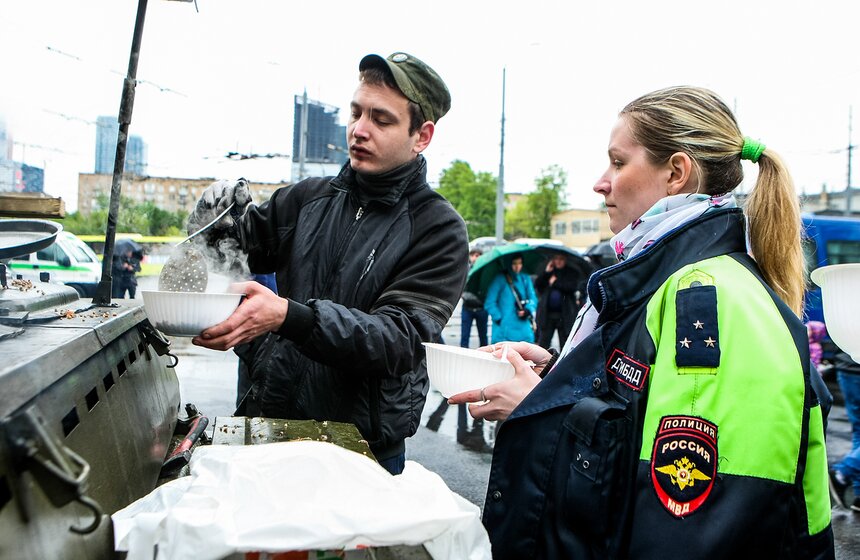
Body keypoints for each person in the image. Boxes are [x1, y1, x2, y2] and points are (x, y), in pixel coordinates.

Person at [449, 86, 834, 558]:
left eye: (617, 162)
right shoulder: (671, 276)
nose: (600, 183)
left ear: (675, 173)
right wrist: (556, 379)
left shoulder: (707, 297)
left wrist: (537, 407)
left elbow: (686, 524)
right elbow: (636, 416)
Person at [187, 52, 469, 475]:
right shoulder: (308, 198)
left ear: (421, 136)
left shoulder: (437, 228)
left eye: (381, 119)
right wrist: (211, 218)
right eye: (356, 113)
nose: (359, 130)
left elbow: (399, 340)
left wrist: (289, 317)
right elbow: (230, 252)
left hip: (361, 453)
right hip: (268, 427)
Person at [426, 246, 491, 452]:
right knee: (463, 338)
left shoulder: (485, 271)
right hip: (469, 308)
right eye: (474, 254)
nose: (475, 257)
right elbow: (460, 285)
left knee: (483, 339)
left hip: (480, 309)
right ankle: (461, 363)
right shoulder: (467, 268)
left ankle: (480, 361)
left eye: (478, 255)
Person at [829, 349, 860, 512]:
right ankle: (842, 473)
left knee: (859, 432)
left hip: (846, 367)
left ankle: (859, 495)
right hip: (854, 366)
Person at [534, 251, 584, 350]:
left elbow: (571, 287)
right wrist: (546, 272)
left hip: (565, 315)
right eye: (556, 258)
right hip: (547, 314)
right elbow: (538, 285)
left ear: (565, 260)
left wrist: (555, 282)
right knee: (543, 343)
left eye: (561, 259)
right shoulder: (549, 272)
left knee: (565, 344)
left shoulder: (571, 272)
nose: (558, 261)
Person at [484, 253, 537, 344]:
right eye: (514, 263)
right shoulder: (499, 279)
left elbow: (533, 298)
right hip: (504, 333)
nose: (517, 266)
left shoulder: (525, 278)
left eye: (520, 263)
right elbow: (490, 302)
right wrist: (499, 319)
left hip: (524, 331)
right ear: (509, 263)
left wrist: (528, 310)